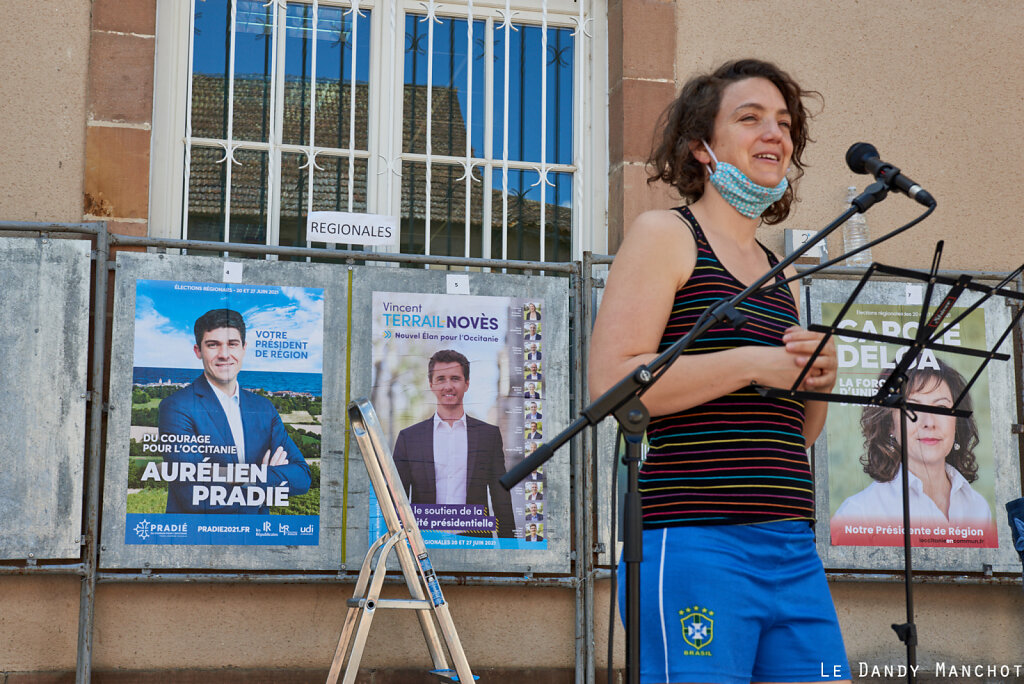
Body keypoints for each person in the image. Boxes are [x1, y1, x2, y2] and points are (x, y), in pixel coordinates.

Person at [589, 59, 849, 683]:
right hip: (696, 540)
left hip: (791, 543)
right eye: (750, 117)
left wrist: (820, 379)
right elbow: (612, 384)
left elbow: (796, 434)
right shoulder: (666, 234)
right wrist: (754, 362)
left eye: (784, 124)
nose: (774, 134)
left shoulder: (775, 267)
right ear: (702, 147)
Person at [158, 308, 312, 514]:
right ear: (198, 351)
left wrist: (235, 480)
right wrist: (264, 477)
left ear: (243, 348)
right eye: (213, 345)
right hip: (198, 538)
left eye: (232, 344)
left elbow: (302, 477)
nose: (224, 354)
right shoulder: (176, 407)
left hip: (256, 537)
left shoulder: (263, 408)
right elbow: (194, 494)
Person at [831, 360, 992, 530]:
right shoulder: (858, 513)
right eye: (913, 407)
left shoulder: (978, 507)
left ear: (957, 422)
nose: (929, 422)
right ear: (890, 424)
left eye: (941, 407)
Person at [392, 349, 516, 538]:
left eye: (455, 378)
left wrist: (511, 551)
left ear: (466, 384)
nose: (448, 386)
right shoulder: (409, 438)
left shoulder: (488, 436)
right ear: (431, 385)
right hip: (424, 544)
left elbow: (501, 498)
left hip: (475, 545)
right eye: (441, 379)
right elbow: (396, 501)